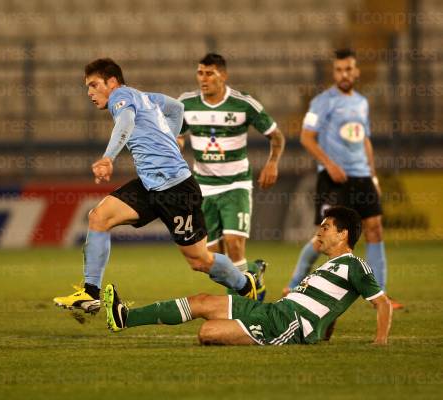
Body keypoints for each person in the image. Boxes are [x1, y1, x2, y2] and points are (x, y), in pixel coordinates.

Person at [53, 58, 262, 314]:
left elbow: (126, 122)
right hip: (151, 185)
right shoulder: (145, 97)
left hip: (176, 189)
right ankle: (90, 292)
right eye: (87, 87)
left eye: (94, 85)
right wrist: (173, 137)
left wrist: (109, 157)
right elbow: (176, 107)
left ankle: (245, 283)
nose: (89, 93)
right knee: (98, 217)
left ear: (112, 82)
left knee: (199, 260)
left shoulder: (121, 97)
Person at [104, 206, 392, 346]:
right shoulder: (328, 267)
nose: (319, 230)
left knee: (208, 332)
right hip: (273, 310)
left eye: (326, 227)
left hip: (286, 324)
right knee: (203, 300)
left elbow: (383, 303)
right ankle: (124, 317)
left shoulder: (356, 266)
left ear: (343, 234)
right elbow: (331, 305)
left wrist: (380, 342)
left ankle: (250, 280)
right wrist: (325, 332)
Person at [283, 48, 402, 309]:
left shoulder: (362, 102)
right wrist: (329, 164)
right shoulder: (322, 102)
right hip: (333, 178)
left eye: (348, 69)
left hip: (361, 176)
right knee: (323, 238)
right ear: (334, 72)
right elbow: (306, 137)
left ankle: (379, 294)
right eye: (339, 70)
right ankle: (293, 284)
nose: (344, 74)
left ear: (356, 71)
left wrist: (374, 176)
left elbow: (365, 140)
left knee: (375, 230)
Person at [177, 54, 285, 288]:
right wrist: (178, 144)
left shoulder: (243, 104)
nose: (203, 79)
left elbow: (276, 135)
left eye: (209, 73)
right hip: (203, 187)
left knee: (235, 245)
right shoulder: (186, 103)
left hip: (236, 185)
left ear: (223, 76)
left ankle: (242, 310)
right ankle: (253, 273)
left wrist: (272, 163)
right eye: (200, 73)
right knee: (212, 258)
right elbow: (179, 135)